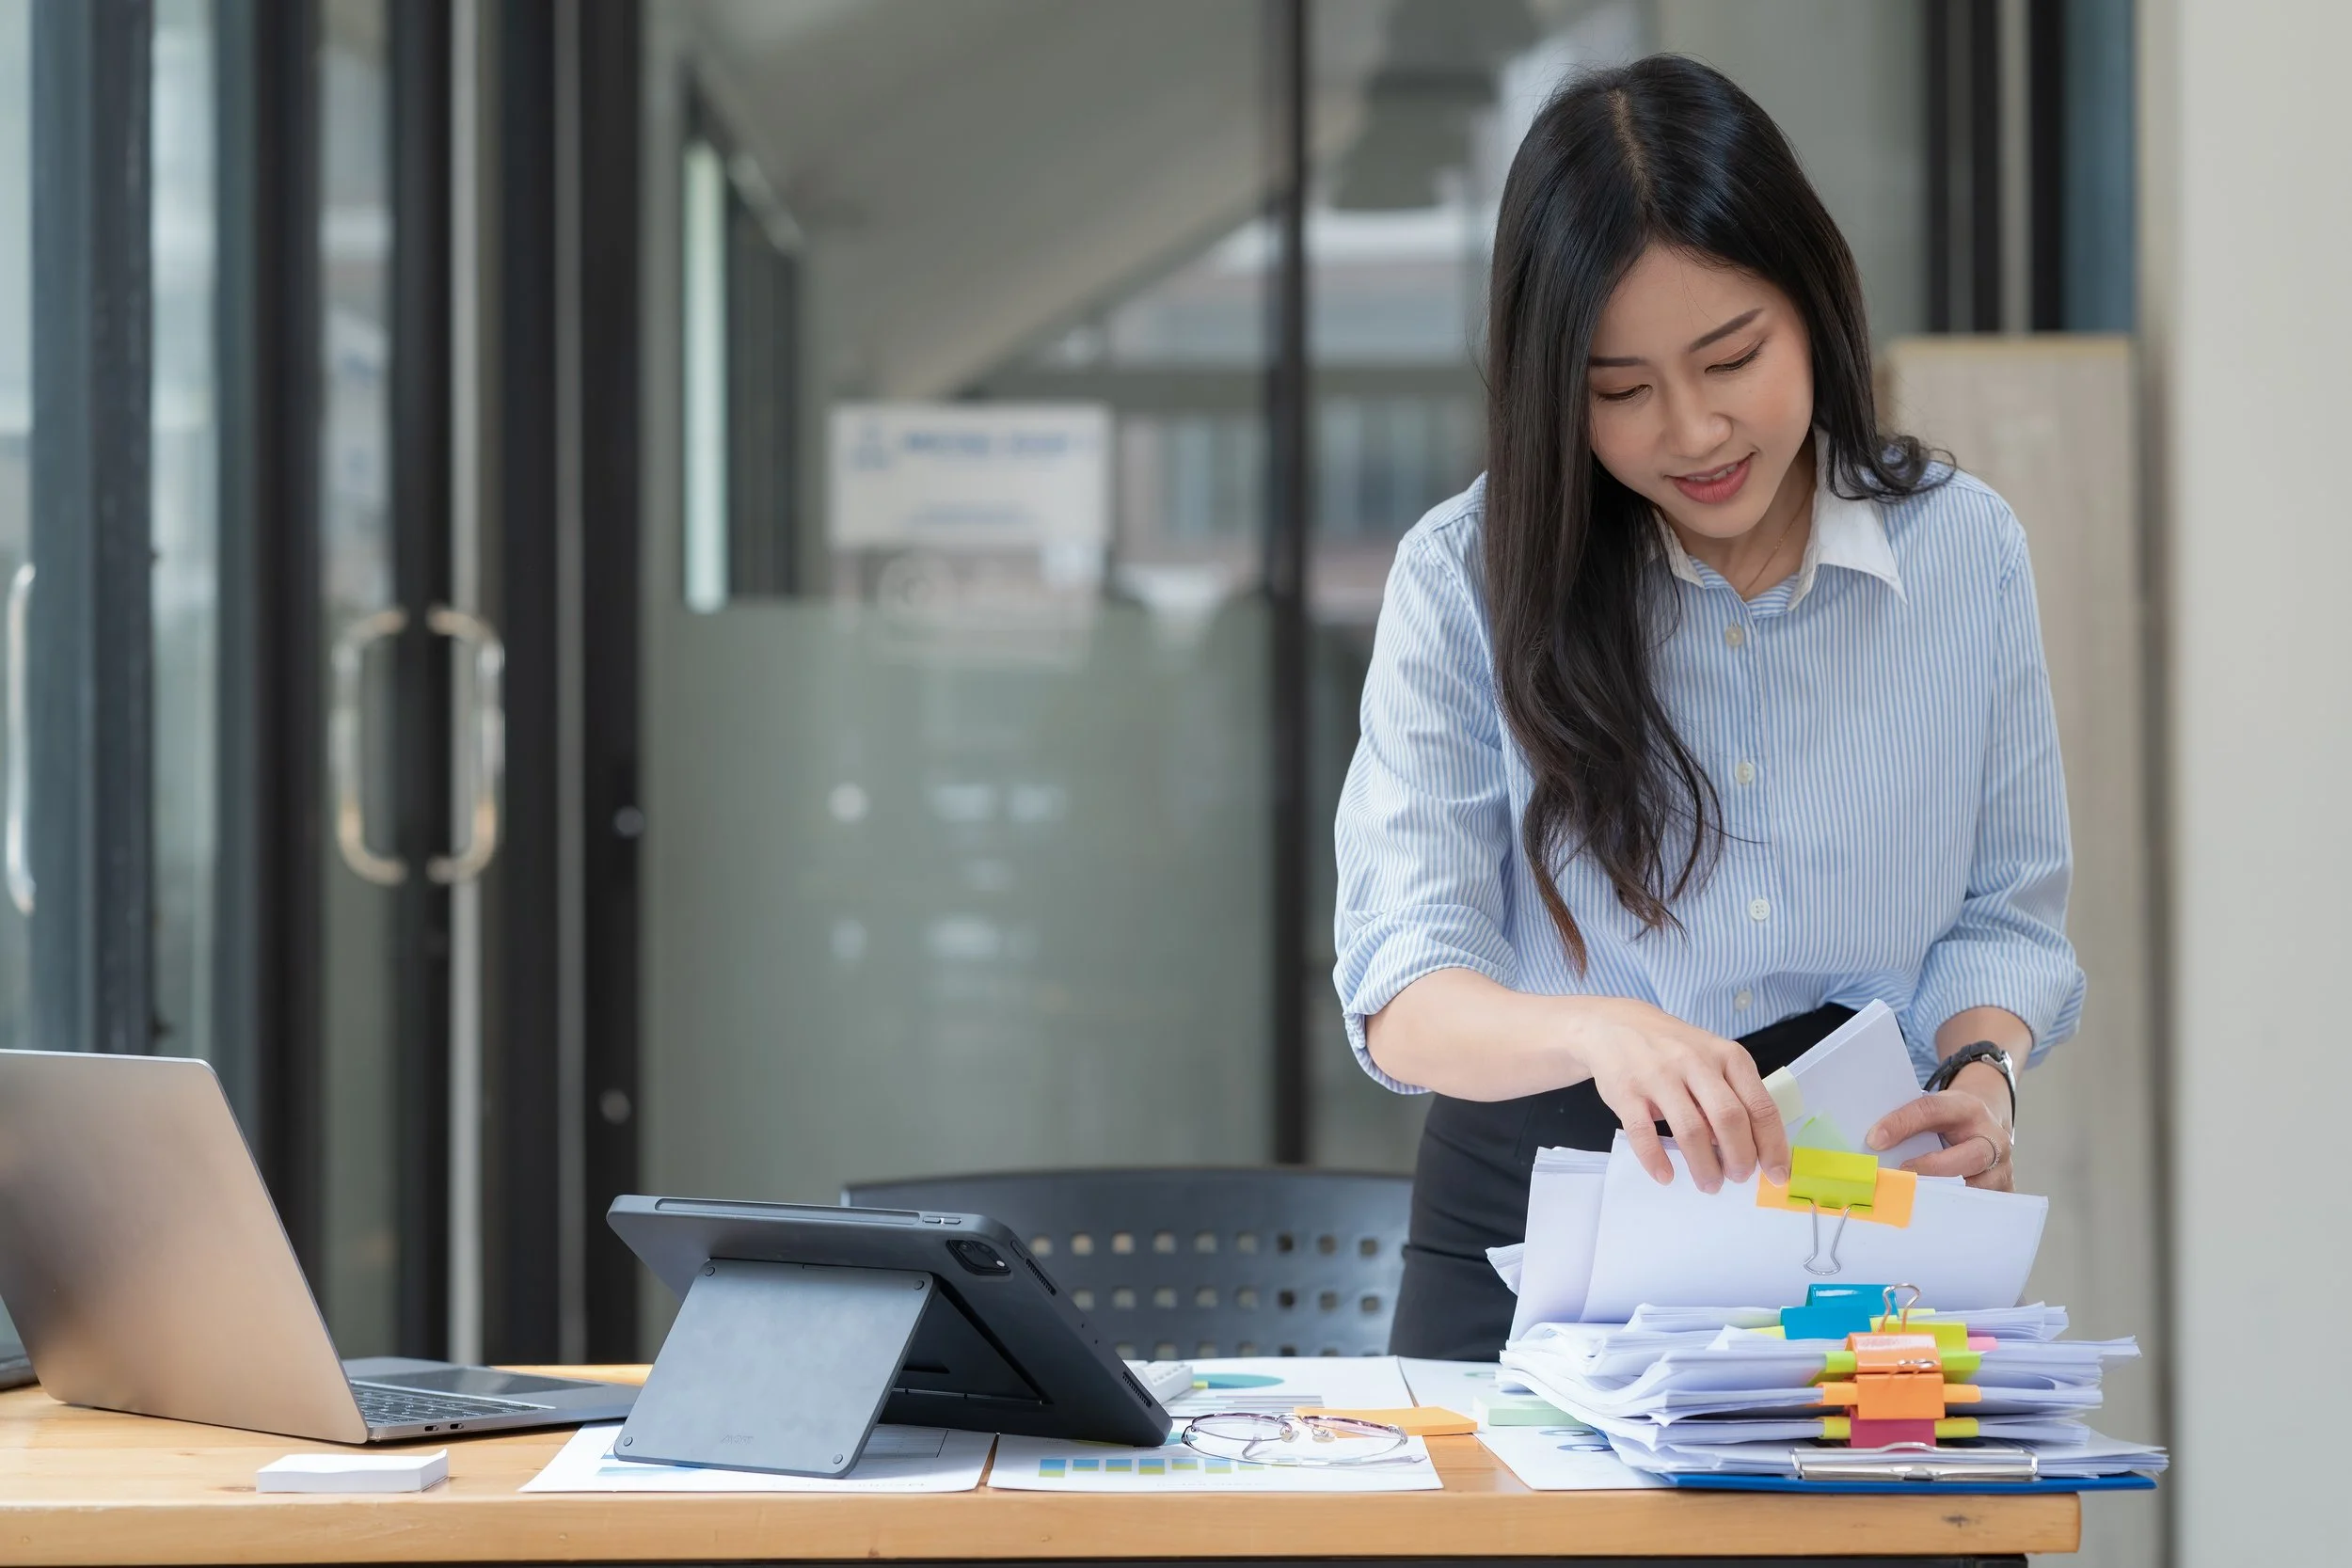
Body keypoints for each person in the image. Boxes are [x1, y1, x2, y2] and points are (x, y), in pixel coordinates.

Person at [1331, 55, 2082, 1360]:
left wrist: (1982, 1069)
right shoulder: (1466, 579)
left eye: (1731, 356)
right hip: (1541, 1226)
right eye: (1620, 390)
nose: (1693, 430)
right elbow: (1404, 984)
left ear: (1813, 307)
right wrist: (1600, 1030)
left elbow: (2005, 910)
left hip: (1861, 1212)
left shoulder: (1966, 554)